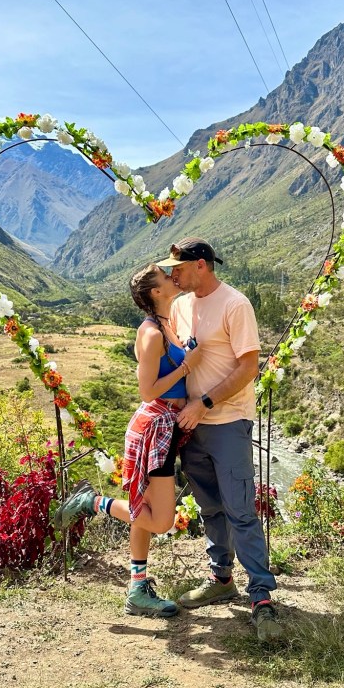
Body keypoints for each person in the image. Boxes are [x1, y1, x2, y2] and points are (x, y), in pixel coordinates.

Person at [54, 263, 201, 618]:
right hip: (155, 429)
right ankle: (93, 503)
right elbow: (147, 390)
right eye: (167, 277)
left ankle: (137, 590)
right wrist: (186, 367)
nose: (174, 277)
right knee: (161, 521)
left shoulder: (170, 323)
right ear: (156, 292)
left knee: (146, 512)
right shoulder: (152, 334)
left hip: (166, 427)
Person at [156, 237, 283, 642]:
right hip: (191, 425)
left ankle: (261, 597)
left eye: (178, 268)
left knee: (240, 510)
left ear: (201, 266)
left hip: (227, 420)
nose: (173, 275)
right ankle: (222, 578)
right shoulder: (180, 306)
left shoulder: (235, 304)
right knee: (211, 508)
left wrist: (204, 403)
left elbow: (249, 367)